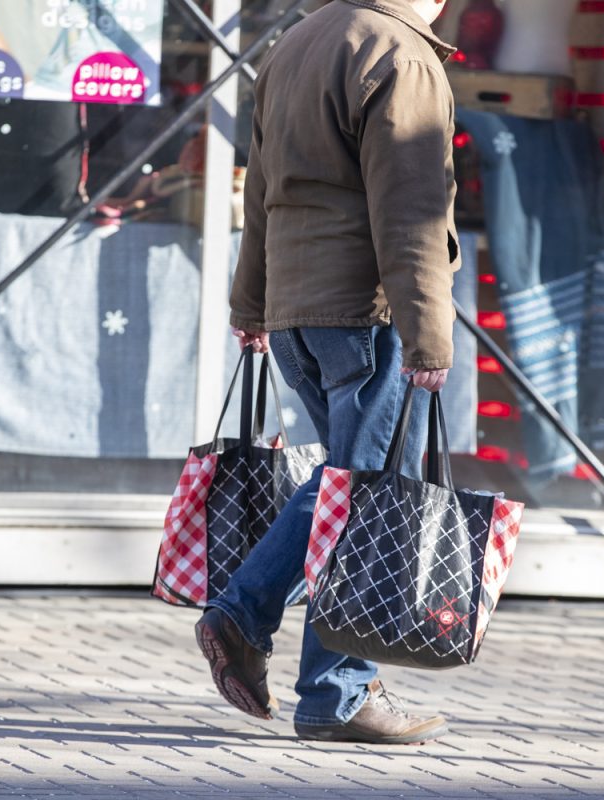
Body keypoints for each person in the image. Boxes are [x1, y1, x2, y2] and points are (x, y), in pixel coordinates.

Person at [194, 0, 461, 745]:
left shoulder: (297, 42)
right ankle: (333, 690)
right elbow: (411, 211)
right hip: (364, 311)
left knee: (344, 486)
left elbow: (261, 191)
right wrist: (428, 334)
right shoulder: (401, 55)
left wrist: (251, 303)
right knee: (364, 498)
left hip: (296, 311)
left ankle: (252, 624)